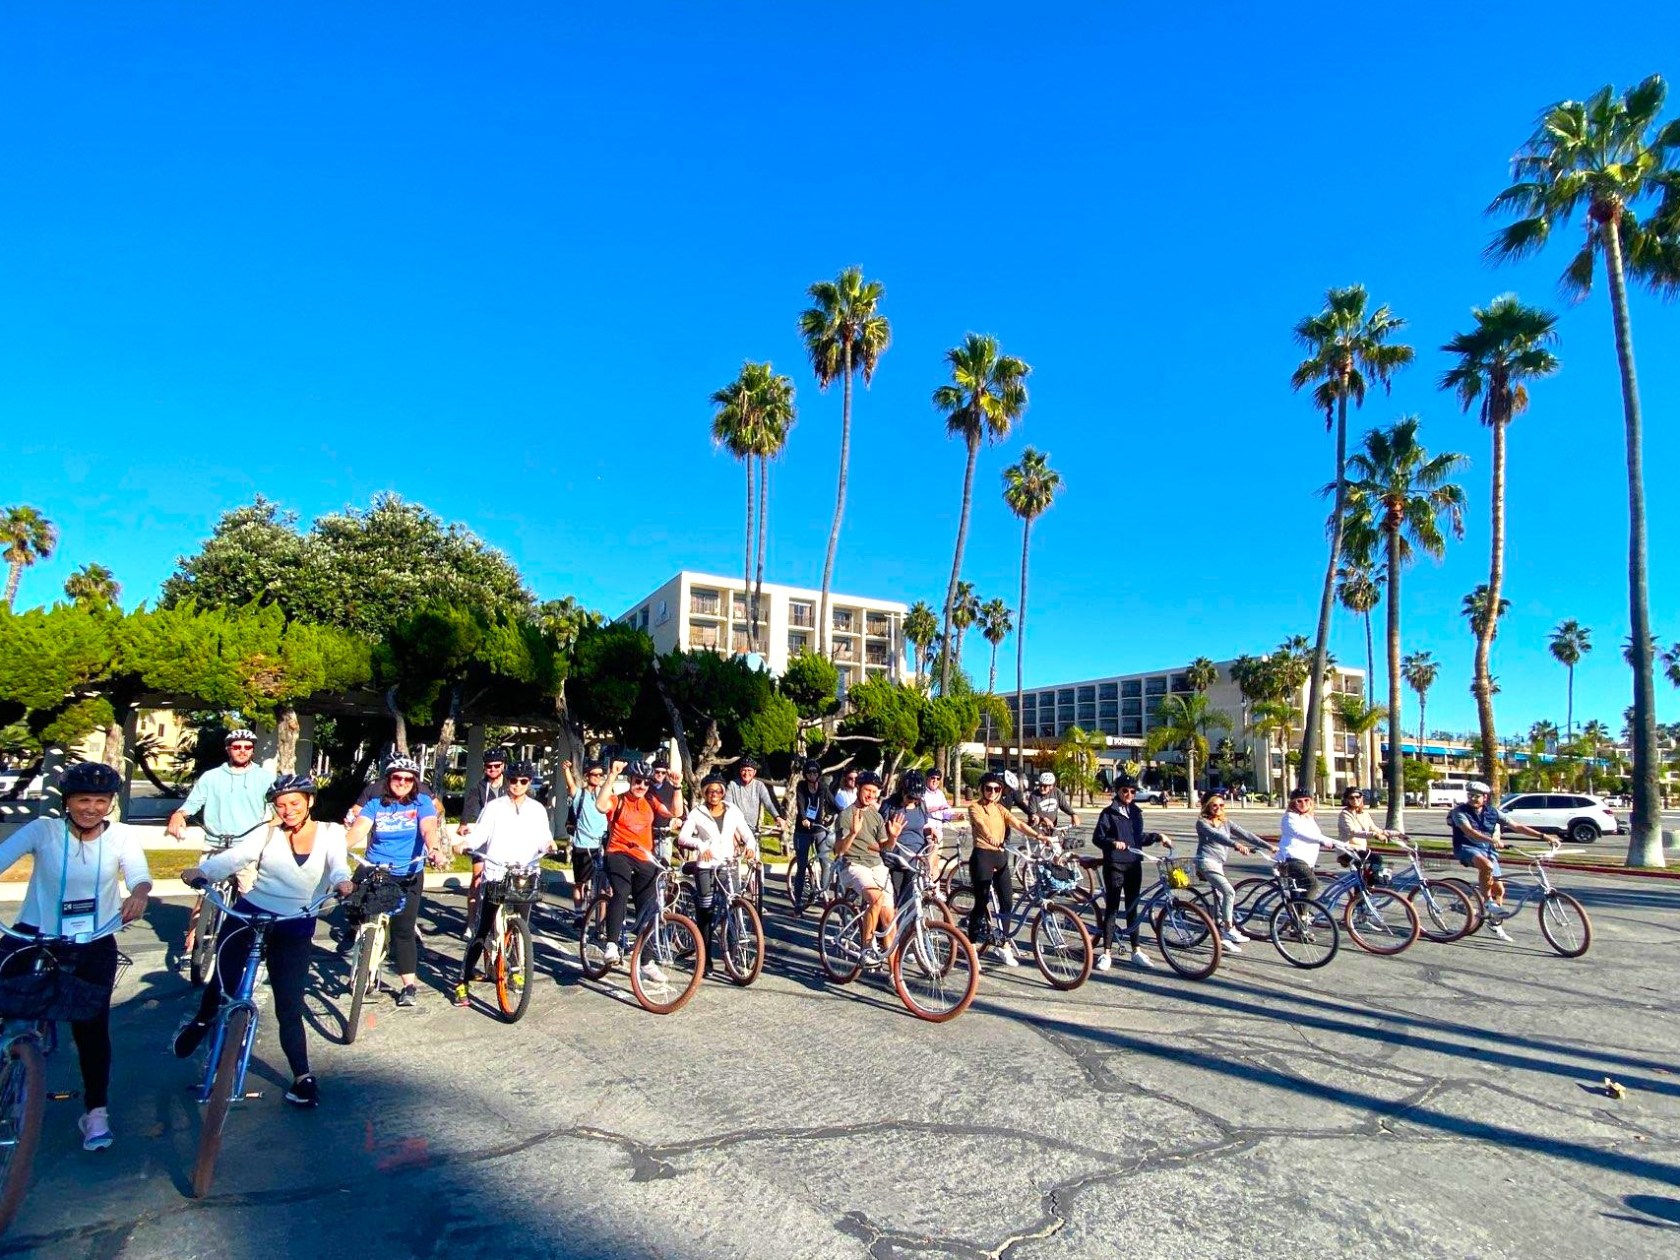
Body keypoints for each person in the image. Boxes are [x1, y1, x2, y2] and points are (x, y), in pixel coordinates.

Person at [175, 774, 352, 1110]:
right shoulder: (267, 832)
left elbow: (338, 867)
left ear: (310, 802)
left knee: (289, 1004)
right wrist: (202, 872)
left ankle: (302, 1077)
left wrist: (343, 884)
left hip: (295, 924)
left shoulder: (331, 833)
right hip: (250, 913)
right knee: (223, 981)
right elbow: (234, 859)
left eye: (295, 803)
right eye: (281, 805)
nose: (288, 810)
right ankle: (201, 1021)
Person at [0, 763, 151, 1150]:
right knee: (10, 1013)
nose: (92, 808)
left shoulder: (120, 836)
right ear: (67, 802)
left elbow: (138, 872)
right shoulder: (44, 830)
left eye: (101, 801)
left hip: (93, 939)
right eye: (83, 799)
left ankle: (96, 1113)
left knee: (92, 1029)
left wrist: (139, 893)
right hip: (37, 935)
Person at [345, 756, 446, 1008]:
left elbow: (428, 828)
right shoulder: (375, 803)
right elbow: (359, 829)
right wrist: (336, 847)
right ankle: (366, 951)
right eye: (397, 777)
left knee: (403, 929)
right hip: (377, 867)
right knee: (356, 905)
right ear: (388, 780)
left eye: (408, 779)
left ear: (414, 782)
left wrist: (434, 848)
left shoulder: (422, 802)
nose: (402, 782)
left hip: (408, 872)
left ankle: (408, 985)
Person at [452, 761, 554, 1006]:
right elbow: (480, 835)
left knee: (521, 928)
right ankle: (462, 981)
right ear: (507, 780)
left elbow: (543, 837)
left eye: (523, 781)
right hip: (497, 873)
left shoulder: (537, 809)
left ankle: (517, 971)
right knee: (483, 927)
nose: (517, 785)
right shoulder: (494, 807)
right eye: (513, 780)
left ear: (529, 783)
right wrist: (465, 844)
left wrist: (550, 845)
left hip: (525, 874)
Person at [166, 728, 275, 954]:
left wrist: (275, 825)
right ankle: (193, 938)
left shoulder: (264, 778)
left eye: (247, 747)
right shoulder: (212, 777)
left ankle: (253, 939)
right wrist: (179, 815)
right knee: (203, 890)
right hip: (214, 843)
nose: (242, 751)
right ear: (228, 749)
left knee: (249, 894)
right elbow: (192, 803)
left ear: (253, 750)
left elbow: (277, 807)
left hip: (246, 846)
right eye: (237, 747)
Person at [597, 758, 677, 973]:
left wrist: (677, 787)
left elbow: (674, 813)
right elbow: (600, 805)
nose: (641, 786)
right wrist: (612, 775)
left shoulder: (650, 801)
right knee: (621, 892)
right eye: (637, 781)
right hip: (618, 853)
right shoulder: (618, 800)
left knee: (650, 905)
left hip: (643, 856)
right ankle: (612, 944)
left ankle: (647, 961)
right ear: (630, 780)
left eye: (645, 782)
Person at [675, 775, 758, 974]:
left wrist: (750, 846)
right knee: (706, 912)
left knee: (734, 908)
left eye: (719, 791)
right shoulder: (697, 813)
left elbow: (747, 834)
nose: (715, 795)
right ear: (705, 793)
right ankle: (705, 959)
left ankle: (735, 957)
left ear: (723, 793)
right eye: (710, 791)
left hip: (728, 864)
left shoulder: (732, 810)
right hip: (706, 866)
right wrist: (700, 844)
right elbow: (683, 837)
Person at [1448, 781, 1550, 942]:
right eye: (1470, 795)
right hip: (1466, 848)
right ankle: (1488, 902)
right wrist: (1491, 840)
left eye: (1477, 796)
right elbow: (1469, 831)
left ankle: (1495, 923)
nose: (1473, 798)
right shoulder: (1459, 812)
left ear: (1485, 797)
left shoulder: (1493, 812)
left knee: (1499, 890)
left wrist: (1544, 837)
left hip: (1487, 850)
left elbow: (1516, 826)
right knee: (1486, 866)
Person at [966, 772, 1048, 966]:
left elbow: (1017, 823)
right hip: (983, 856)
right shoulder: (974, 807)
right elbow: (980, 825)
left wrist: (1038, 836)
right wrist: (990, 837)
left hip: (1000, 856)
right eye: (988, 788)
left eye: (996, 789)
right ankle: (971, 946)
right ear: (982, 789)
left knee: (1007, 901)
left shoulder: (1000, 808)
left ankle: (1003, 945)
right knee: (981, 902)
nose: (992, 792)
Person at [1091, 776, 1172, 971]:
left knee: (1132, 907)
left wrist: (1158, 837)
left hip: (1134, 865)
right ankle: (1106, 952)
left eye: (1132, 791)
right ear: (1117, 792)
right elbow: (1097, 838)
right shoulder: (1108, 813)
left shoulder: (1136, 812)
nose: (1129, 795)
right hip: (1115, 865)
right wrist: (1112, 842)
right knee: (1112, 909)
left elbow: (1138, 838)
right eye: (1125, 791)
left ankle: (1136, 950)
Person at [833, 770, 906, 966]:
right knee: (876, 898)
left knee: (889, 918)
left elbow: (885, 847)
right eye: (868, 790)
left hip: (877, 865)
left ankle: (894, 975)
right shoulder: (846, 815)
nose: (871, 795)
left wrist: (893, 837)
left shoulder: (876, 815)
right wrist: (853, 833)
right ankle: (866, 948)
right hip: (853, 865)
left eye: (874, 792)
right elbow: (839, 850)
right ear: (858, 788)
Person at [1194, 792, 1263, 951]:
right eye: (1214, 805)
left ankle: (1222, 938)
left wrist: (1269, 846)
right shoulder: (1202, 823)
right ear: (1207, 806)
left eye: (1221, 805)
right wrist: (1236, 845)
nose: (1218, 808)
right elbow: (1216, 837)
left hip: (1218, 864)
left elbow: (1247, 835)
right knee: (1229, 892)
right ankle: (1228, 929)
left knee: (1220, 898)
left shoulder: (1226, 822)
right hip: (1205, 862)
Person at [457, 748, 510, 926]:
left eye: (496, 766)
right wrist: (464, 824)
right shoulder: (479, 787)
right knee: (478, 879)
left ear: (503, 766)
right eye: (489, 766)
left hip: (505, 839)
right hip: (483, 838)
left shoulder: (511, 785)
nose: (493, 769)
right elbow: (470, 807)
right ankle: (471, 923)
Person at [1274, 787, 1354, 902]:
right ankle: (1301, 917)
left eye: (1306, 800)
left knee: (1298, 893)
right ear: (1293, 803)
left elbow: (1317, 836)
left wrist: (1342, 845)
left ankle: (1295, 917)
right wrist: (1324, 841)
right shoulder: (1289, 817)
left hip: (1308, 862)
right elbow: (1302, 834)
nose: (1303, 804)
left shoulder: (1309, 818)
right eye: (1299, 801)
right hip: (1292, 859)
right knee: (1312, 885)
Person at [560, 760, 610, 918]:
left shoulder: (606, 796)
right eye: (594, 774)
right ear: (587, 776)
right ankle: (579, 915)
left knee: (603, 886)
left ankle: (600, 922)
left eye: (600, 775)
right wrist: (566, 769)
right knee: (580, 883)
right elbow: (571, 785)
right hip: (582, 845)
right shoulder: (579, 795)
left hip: (601, 845)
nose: (597, 777)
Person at [790, 759, 839, 913]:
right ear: (805, 774)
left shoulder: (822, 787)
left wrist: (843, 813)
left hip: (818, 828)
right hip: (803, 830)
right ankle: (798, 902)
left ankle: (823, 892)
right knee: (802, 866)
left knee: (826, 862)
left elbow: (833, 803)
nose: (812, 775)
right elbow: (801, 804)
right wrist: (804, 818)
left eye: (815, 772)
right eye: (810, 772)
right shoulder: (801, 786)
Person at [1337, 786, 1396, 851]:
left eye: (1357, 797)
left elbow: (1375, 829)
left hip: (1361, 850)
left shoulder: (1364, 814)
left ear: (1361, 797)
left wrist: (1396, 834)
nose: (1355, 800)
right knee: (1376, 860)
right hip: (1348, 851)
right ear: (1347, 800)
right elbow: (1353, 832)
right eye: (1351, 798)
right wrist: (1376, 835)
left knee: (1378, 859)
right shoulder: (1345, 814)